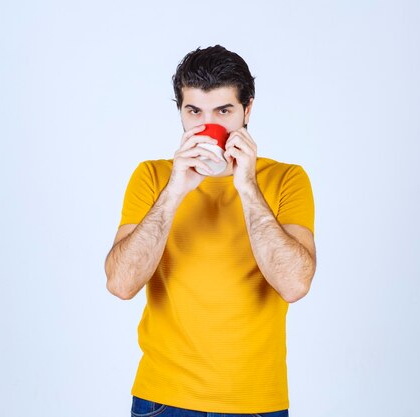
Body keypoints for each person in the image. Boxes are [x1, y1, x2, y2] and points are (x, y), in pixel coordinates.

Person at [104, 45, 316, 417]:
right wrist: (175, 191)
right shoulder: (153, 177)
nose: (208, 124)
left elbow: (295, 284)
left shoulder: (286, 179)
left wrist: (247, 185)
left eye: (223, 111)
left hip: (258, 404)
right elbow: (121, 284)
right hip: (164, 401)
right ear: (181, 113)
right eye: (194, 112)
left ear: (247, 110)